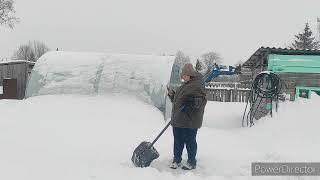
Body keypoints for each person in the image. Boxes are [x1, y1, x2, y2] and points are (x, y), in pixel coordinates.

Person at [167, 63, 207, 170]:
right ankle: (176, 159)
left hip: (190, 120)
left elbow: (202, 101)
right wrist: (173, 96)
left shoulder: (197, 85)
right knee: (178, 140)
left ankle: (191, 162)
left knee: (190, 141)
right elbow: (179, 100)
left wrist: (193, 102)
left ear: (189, 74)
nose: (182, 77)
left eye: (183, 75)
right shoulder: (185, 85)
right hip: (179, 118)